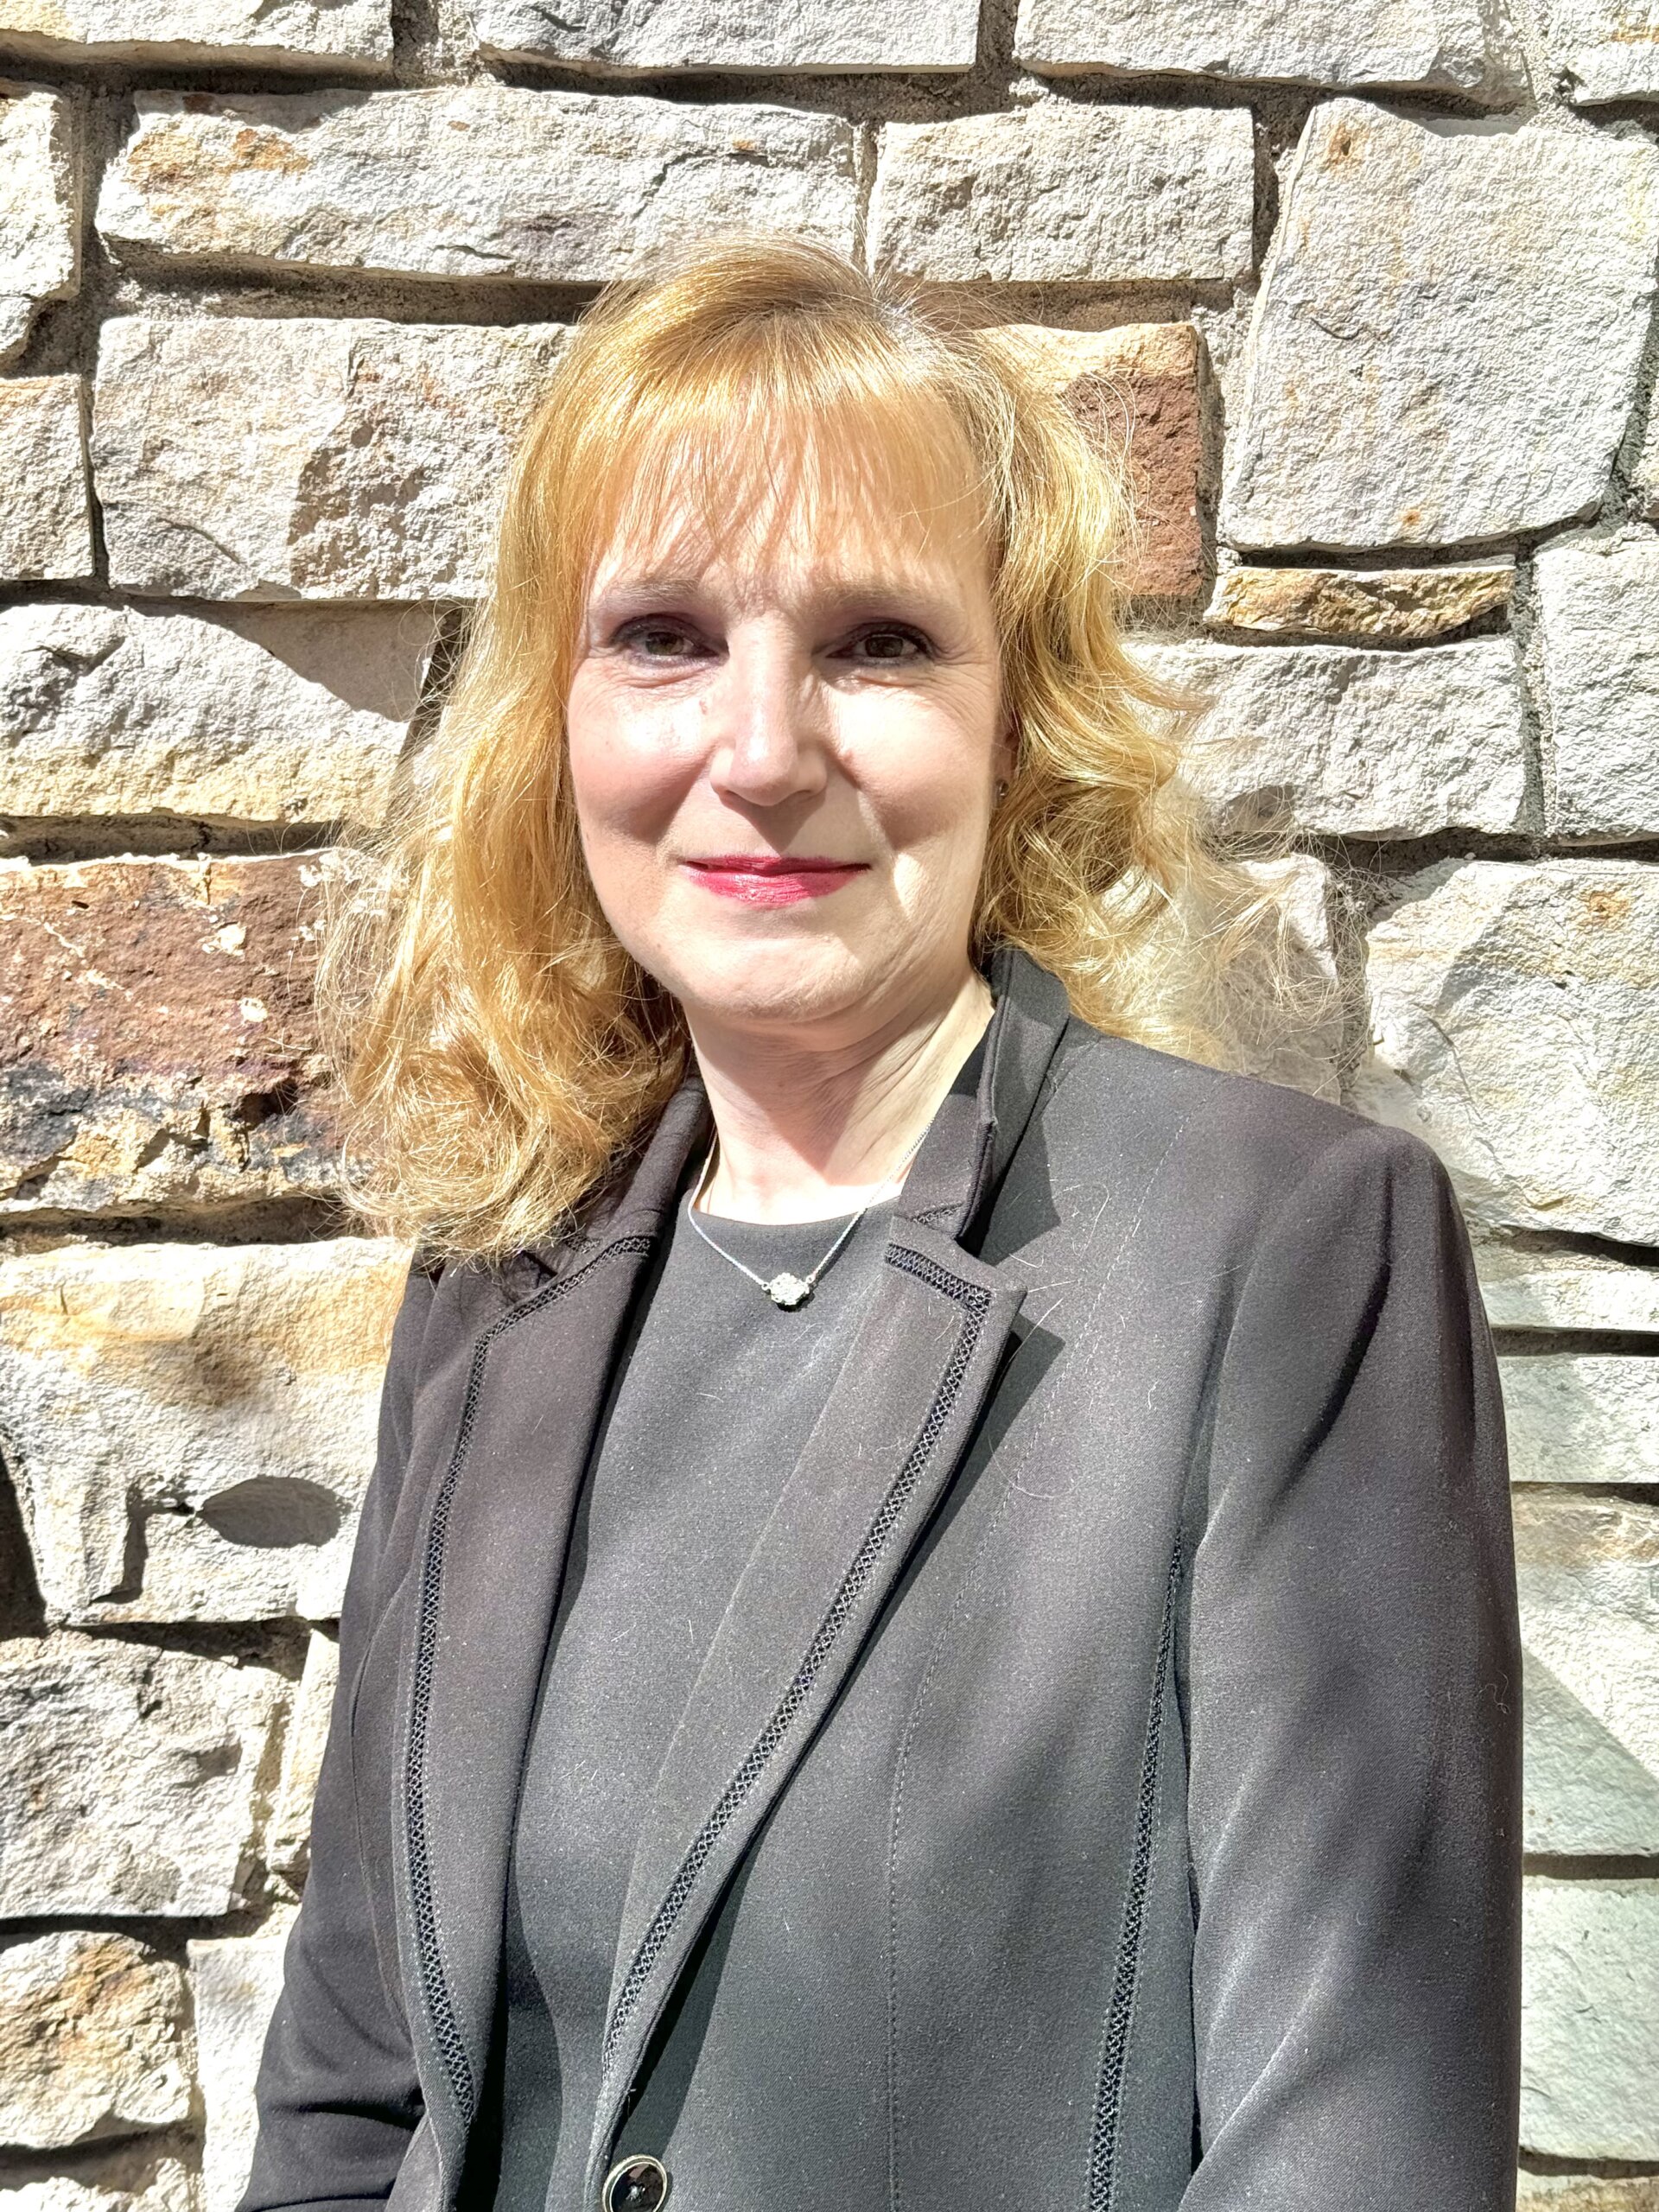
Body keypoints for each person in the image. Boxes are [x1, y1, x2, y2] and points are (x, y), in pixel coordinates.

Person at [239, 236, 1521, 2212]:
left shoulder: (1281, 1253)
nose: (761, 749)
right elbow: (350, 2097)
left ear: (1021, 719)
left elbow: (1351, 2143)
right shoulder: (495, 1293)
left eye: (876, 643)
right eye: (662, 632)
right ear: (561, 718)